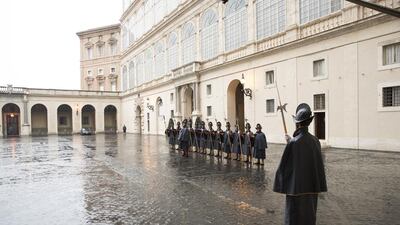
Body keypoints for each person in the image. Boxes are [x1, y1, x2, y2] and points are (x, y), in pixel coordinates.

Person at [273, 103, 327, 225]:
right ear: (309, 122)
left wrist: (290, 143)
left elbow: (284, 167)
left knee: (294, 218)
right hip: (312, 187)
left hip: (295, 188)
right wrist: (291, 142)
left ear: (297, 123)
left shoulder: (293, 143)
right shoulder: (315, 141)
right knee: (309, 217)